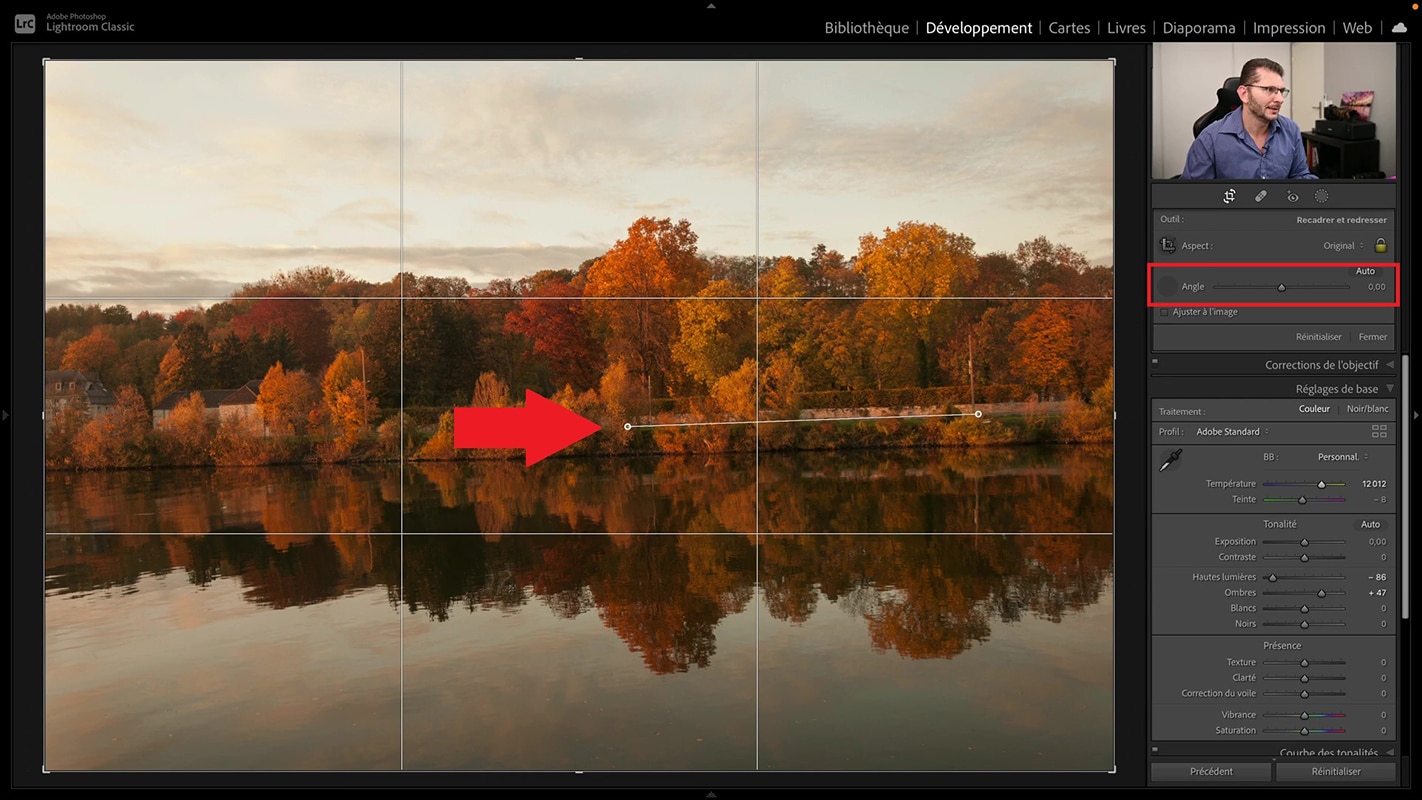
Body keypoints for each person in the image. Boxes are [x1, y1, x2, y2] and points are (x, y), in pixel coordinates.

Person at [1182, 58, 1319, 180]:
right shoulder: (1209, 140)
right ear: (1244, 94)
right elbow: (1194, 198)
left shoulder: (1291, 130)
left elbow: (1300, 174)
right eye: (1269, 89)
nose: (1280, 99)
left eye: (1281, 91)